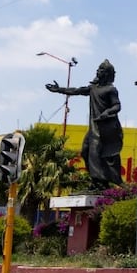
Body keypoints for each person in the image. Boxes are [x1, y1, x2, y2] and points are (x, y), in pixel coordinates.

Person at [46, 59, 124, 189]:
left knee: (95, 152)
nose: (98, 71)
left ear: (107, 73)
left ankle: (99, 182)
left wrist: (107, 113)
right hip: (94, 128)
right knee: (85, 151)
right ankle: (98, 180)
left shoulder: (111, 89)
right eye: (98, 69)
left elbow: (117, 106)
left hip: (105, 128)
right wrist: (59, 89)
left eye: (101, 70)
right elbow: (77, 91)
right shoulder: (93, 88)